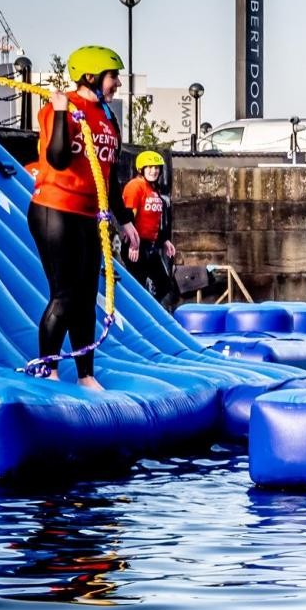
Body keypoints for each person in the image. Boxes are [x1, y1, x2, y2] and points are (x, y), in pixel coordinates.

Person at [29, 45, 139, 390]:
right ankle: (48, 369)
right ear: (91, 76)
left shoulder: (106, 117)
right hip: (55, 210)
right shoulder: (60, 108)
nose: (117, 83)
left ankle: (85, 374)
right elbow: (58, 159)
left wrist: (126, 220)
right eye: (112, 76)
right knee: (65, 294)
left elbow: (109, 175)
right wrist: (62, 112)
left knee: (87, 297)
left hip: (89, 215)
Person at [121, 149, 178, 310]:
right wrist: (133, 244)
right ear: (142, 169)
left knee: (164, 284)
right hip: (136, 246)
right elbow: (129, 217)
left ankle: (150, 312)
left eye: (157, 168)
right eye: (150, 167)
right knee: (137, 288)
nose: (154, 171)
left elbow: (154, 220)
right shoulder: (135, 186)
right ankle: (136, 316)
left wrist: (165, 240)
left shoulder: (153, 190)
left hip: (150, 246)